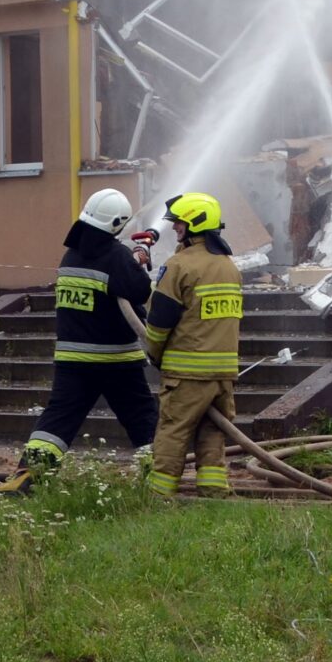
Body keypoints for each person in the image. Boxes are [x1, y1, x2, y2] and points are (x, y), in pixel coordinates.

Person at [0, 188, 159, 496]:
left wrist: (130, 260)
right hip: (115, 359)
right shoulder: (116, 256)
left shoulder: (72, 256)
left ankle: (26, 477)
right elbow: (140, 292)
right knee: (142, 418)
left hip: (72, 360)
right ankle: (160, 479)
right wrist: (138, 261)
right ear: (117, 223)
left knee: (56, 421)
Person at [141, 192, 242, 499]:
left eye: (180, 224)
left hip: (186, 372)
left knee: (173, 430)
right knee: (212, 431)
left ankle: (159, 494)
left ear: (194, 226)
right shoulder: (229, 267)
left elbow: (159, 321)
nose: (175, 229)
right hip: (223, 373)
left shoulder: (179, 266)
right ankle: (212, 488)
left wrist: (154, 355)